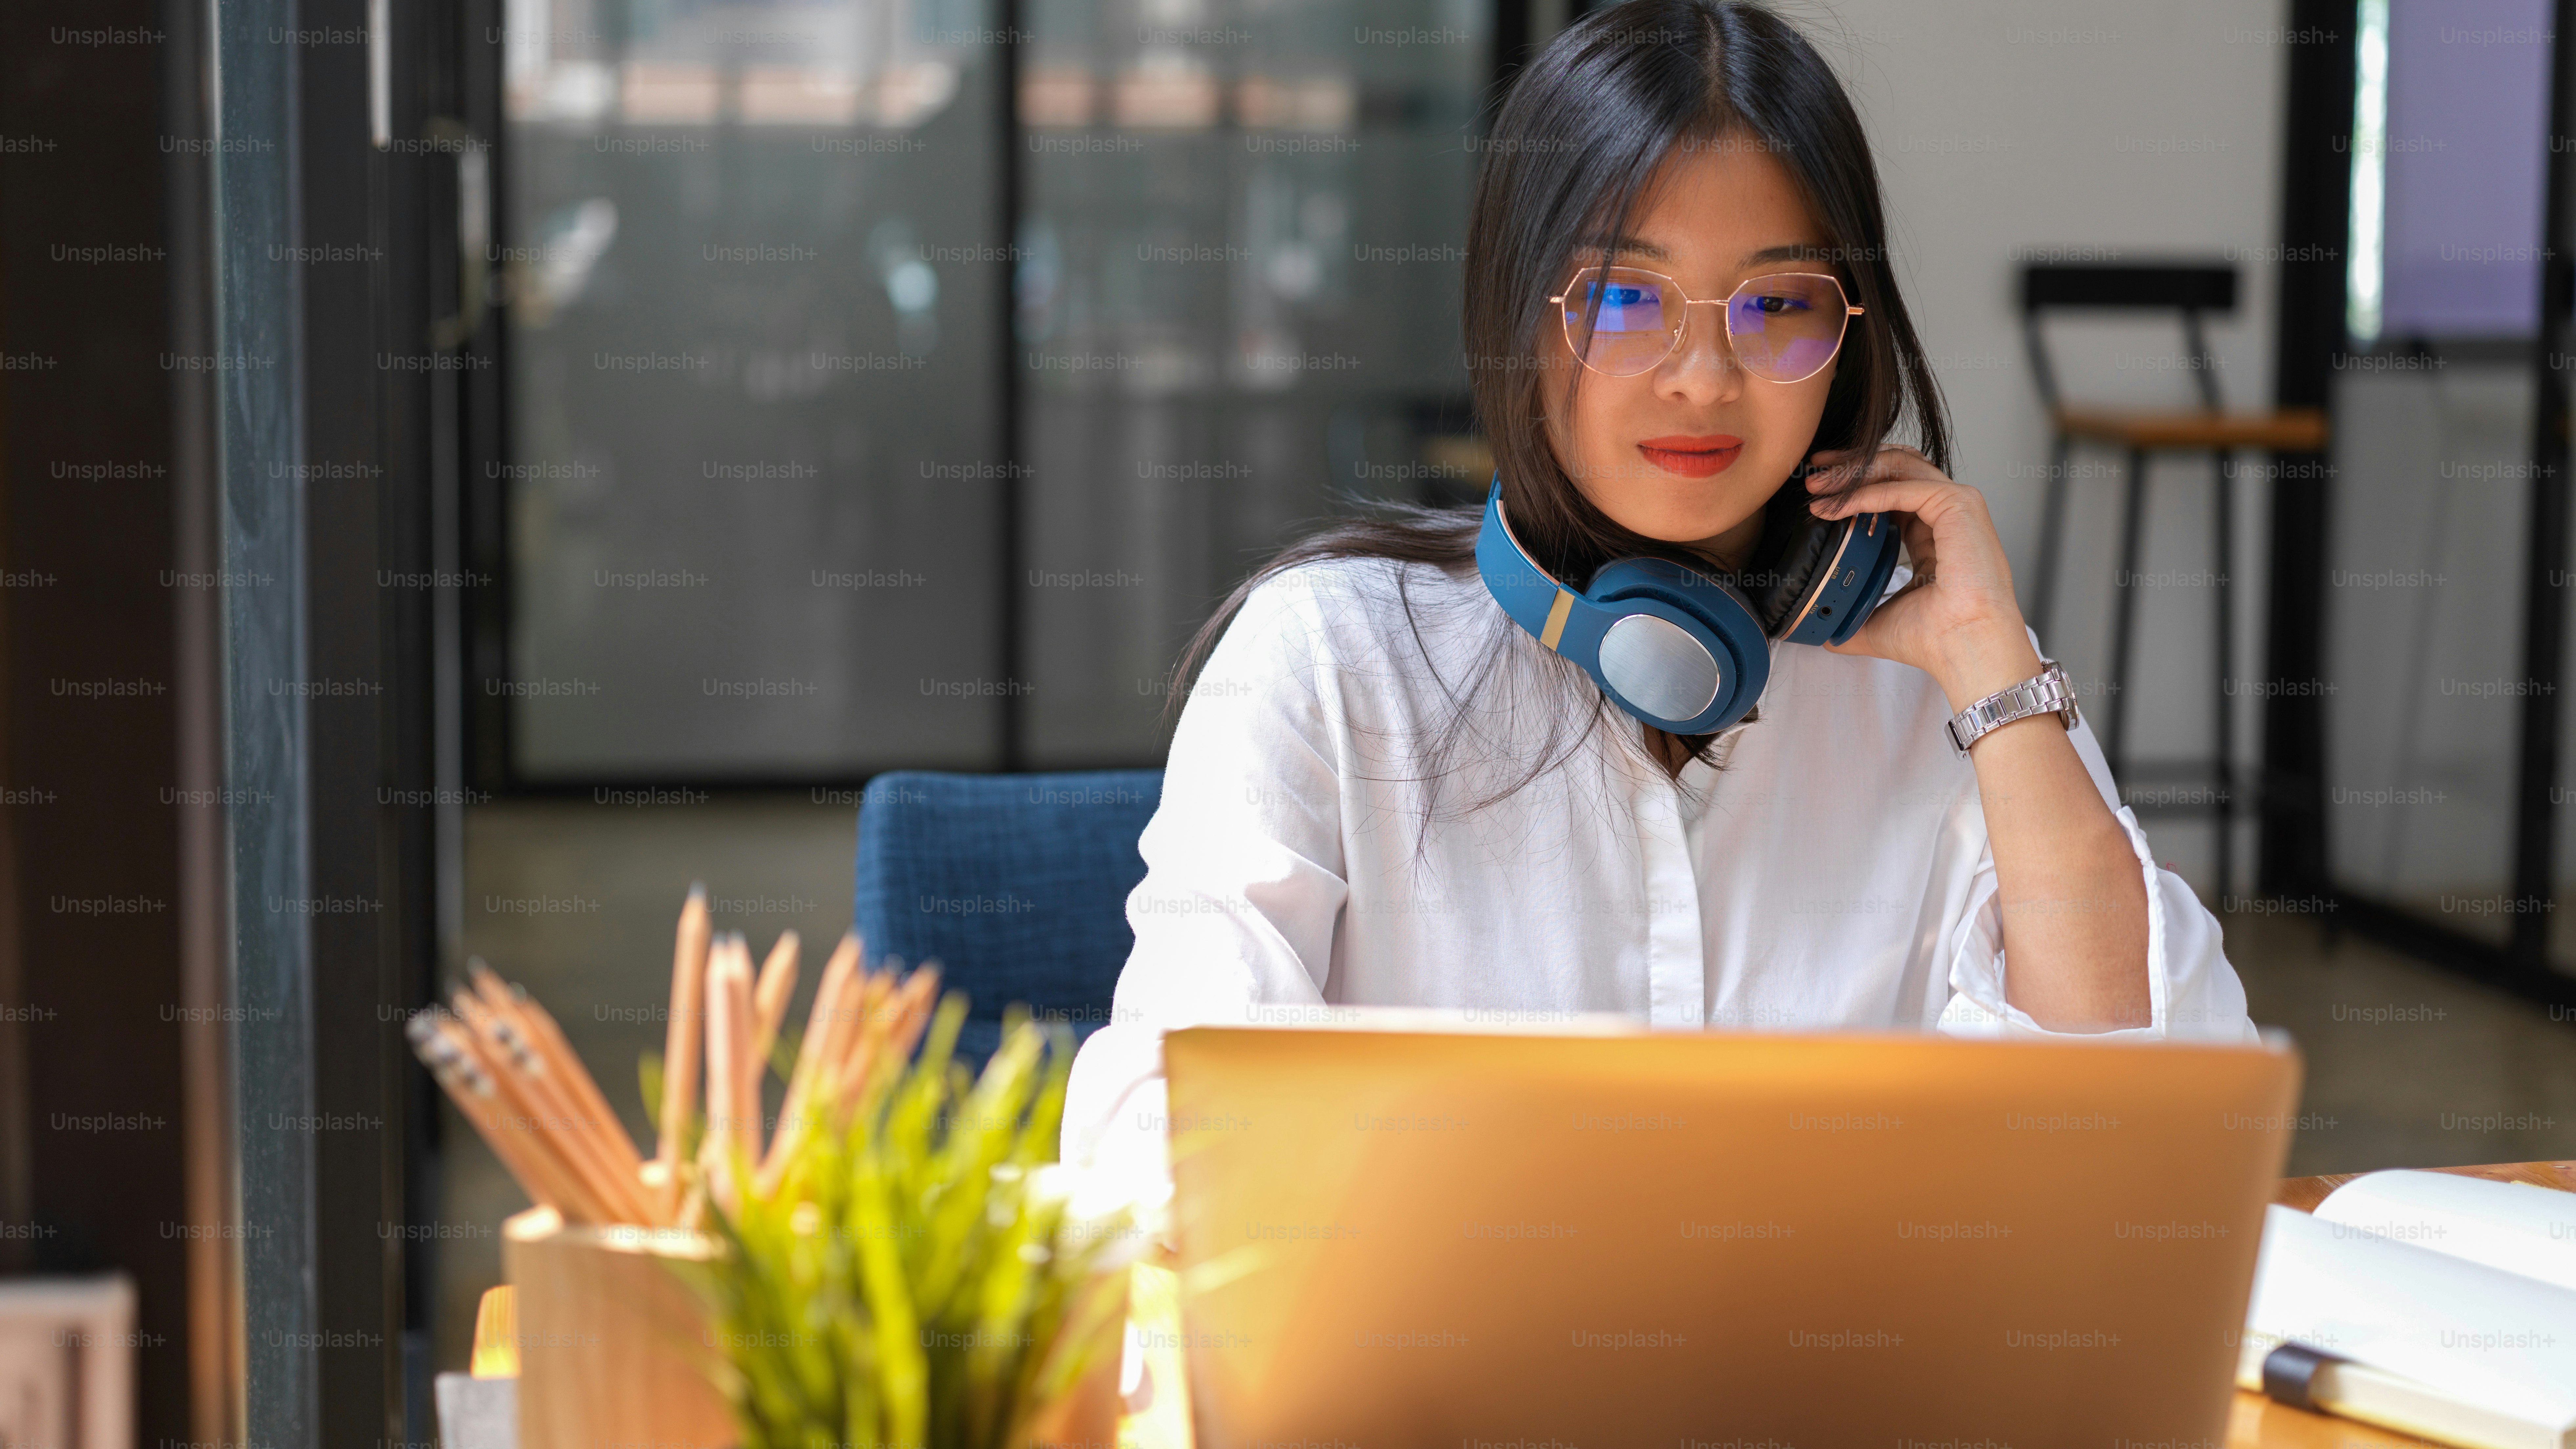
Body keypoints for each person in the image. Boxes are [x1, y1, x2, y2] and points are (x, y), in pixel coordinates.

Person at [1060, 0, 2254, 1188]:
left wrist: (1999, 674)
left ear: (1849, 337)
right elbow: (1152, 1146)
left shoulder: (1947, 680)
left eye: (1777, 305)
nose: (1702, 379)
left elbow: (2157, 1141)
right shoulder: (1328, 660)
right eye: (1622, 300)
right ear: (1514, 319)